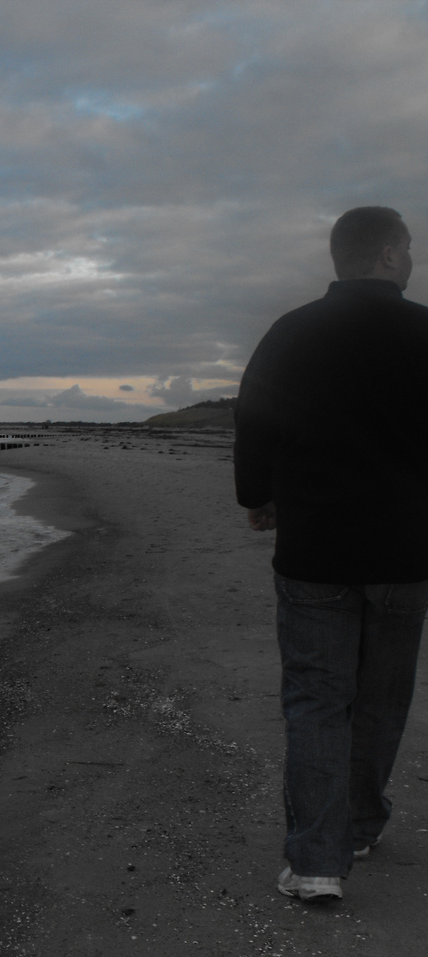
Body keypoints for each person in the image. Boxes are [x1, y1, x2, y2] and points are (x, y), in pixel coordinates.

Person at [235, 205, 428, 903]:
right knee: (381, 698)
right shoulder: (423, 330)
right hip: (405, 551)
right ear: (383, 254)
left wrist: (255, 493)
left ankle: (317, 860)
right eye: (407, 248)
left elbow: (255, 414)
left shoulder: (293, 331)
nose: (411, 259)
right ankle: (358, 826)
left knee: (318, 701)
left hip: (316, 548)